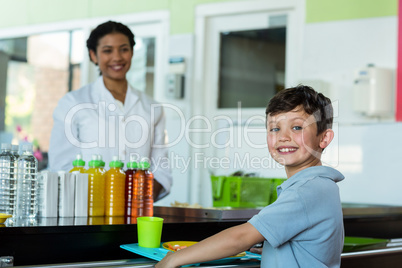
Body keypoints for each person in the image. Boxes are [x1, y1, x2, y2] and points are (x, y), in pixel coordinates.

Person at [156, 85, 344, 267]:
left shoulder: (306, 190)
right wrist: (274, 252)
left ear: (324, 138)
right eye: (274, 128)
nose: (283, 137)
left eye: (296, 127)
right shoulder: (321, 185)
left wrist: (175, 258)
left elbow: (240, 237)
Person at [48, 21, 172, 200]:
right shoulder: (73, 102)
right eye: (107, 50)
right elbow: (62, 166)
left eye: (124, 49)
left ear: (132, 52)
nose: (117, 57)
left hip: (135, 212)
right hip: (87, 210)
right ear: (94, 55)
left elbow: (161, 170)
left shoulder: (152, 107)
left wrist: (135, 201)